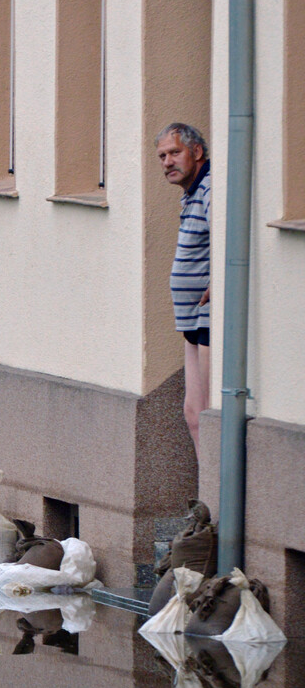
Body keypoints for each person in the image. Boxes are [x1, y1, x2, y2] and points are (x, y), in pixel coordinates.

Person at [157, 122, 211, 455]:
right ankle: (208, 495)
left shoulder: (210, 188)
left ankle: (218, 501)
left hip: (208, 319)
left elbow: (229, 239)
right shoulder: (192, 193)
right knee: (193, 413)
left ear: (197, 152)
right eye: (162, 155)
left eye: (175, 152)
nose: (167, 162)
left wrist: (220, 280)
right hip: (190, 320)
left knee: (205, 413)